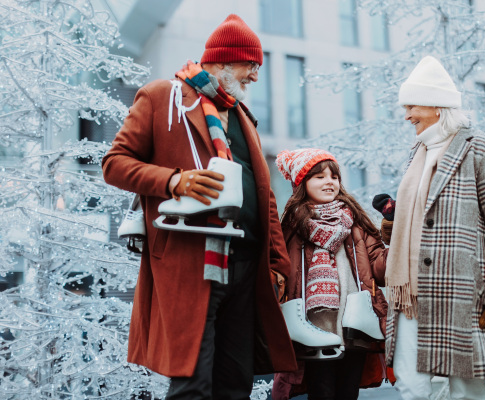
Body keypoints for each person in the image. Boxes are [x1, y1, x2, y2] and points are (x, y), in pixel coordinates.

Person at [102, 14, 296, 399]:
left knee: (236, 385)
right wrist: (175, 180)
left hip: (246, 269)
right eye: (251, 66)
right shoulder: (161, 97)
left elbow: (265, 198)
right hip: (189, 262)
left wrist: (277, 263)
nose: (256, 77)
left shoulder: (244, 119)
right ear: (222, 62)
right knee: (192, 384)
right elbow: (115, 163)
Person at [380, 56, 485, 400]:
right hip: (410, 293)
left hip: (462, 291)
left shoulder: (483, 149)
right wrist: (393, 223)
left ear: (436, 104)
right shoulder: (417, 152)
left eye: (412, 105)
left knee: (467, 389)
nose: (407, 114)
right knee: (411, 386)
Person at [271, 148, 391, 400]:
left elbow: (382, 269)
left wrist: (394, 229)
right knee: (321, 393)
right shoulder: (291, 227)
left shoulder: (356, 223)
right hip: (312, 330)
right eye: (319, 177)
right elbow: (277, 272)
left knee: (348, 393)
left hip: (355, 326)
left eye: (334, 177)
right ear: (302, 184)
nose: (329, 182)